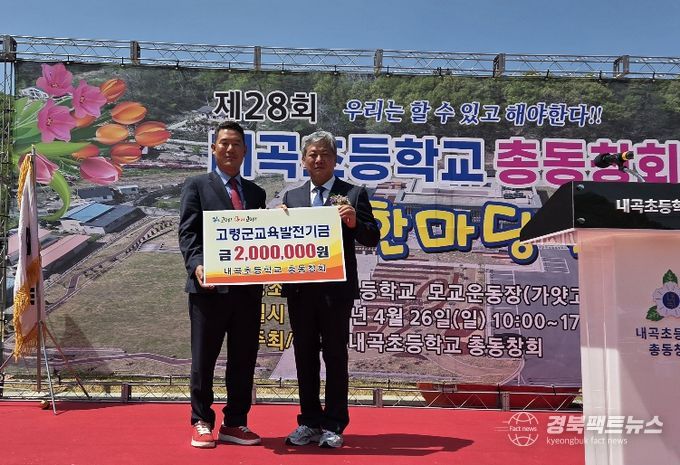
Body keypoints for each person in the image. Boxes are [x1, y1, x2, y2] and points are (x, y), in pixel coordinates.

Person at [280, 130, 380, 448]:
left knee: (335, 356)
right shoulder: (292, 198)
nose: (319, 159)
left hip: (335, 293)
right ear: (303, 160)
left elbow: (372, 237)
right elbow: (281, 243)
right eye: (313, 154)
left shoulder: (353, 193)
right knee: (304, 357)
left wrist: (354, 222)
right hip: (301, 291)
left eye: (325, 153)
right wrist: (275, 223)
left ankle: (334, 424)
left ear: (335, 159)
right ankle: (309, 422)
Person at [179, 121, 266, 449]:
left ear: (245, 151)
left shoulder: (256, 193)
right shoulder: (197, 185)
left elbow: (262, 236)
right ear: (214, 148)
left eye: (236, 144)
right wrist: (197, 265)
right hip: (209, 290)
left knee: (243, 359)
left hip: (246, 292)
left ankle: (235, 422)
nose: (230, 149)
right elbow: (188, 233)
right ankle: (201, 420)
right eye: (224, 143)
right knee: (203, 359)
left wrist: (281, 219)